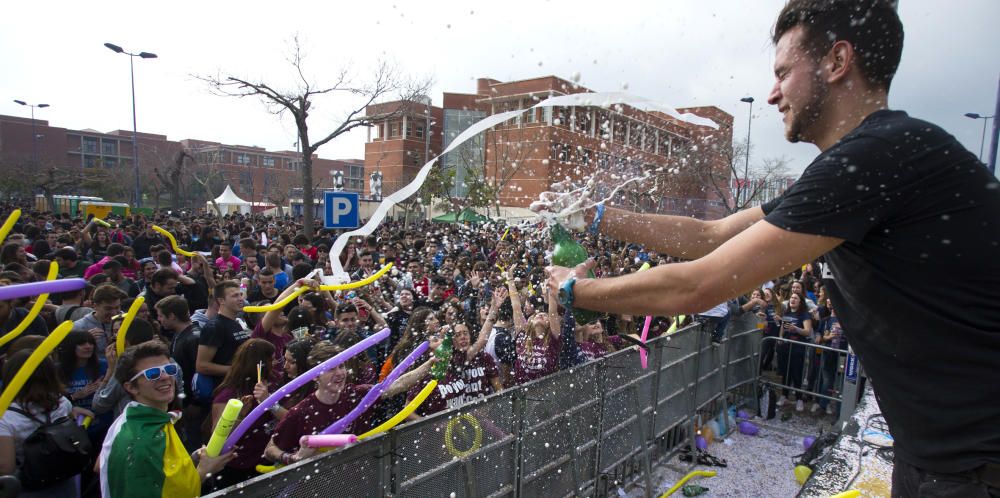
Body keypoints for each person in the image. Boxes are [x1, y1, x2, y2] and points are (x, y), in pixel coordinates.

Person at [536, 2, 1000, 495]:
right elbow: (710, 237)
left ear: (838, 62)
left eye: (783, 72)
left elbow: (698, 285)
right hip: (947, 458)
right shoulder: (870, 160)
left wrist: (574, 290)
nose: (773, 93)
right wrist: (598, 217)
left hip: (971, 469)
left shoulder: (872, 160)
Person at [99, 340, 233, 497]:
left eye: (169, 369)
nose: (165, 377)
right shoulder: (140, 440)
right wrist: (204, 470)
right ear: (131, 387)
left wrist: (193, 460)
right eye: (152, 373)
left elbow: (162, 473)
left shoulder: (150, 420)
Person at [0, 350, 93, 497]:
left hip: (29, 489)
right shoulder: (62, 402)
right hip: (65, 482)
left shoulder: (5, 416)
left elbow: (6, 467)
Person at [195, 281, 250, 402]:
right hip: (222, 393)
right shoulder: (214, 327)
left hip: (238, 388)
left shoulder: (235, 323)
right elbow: (202, 366)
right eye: (235, 296)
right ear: (221, 301)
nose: (241, 299)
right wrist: (237, 370)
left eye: (240, 294)